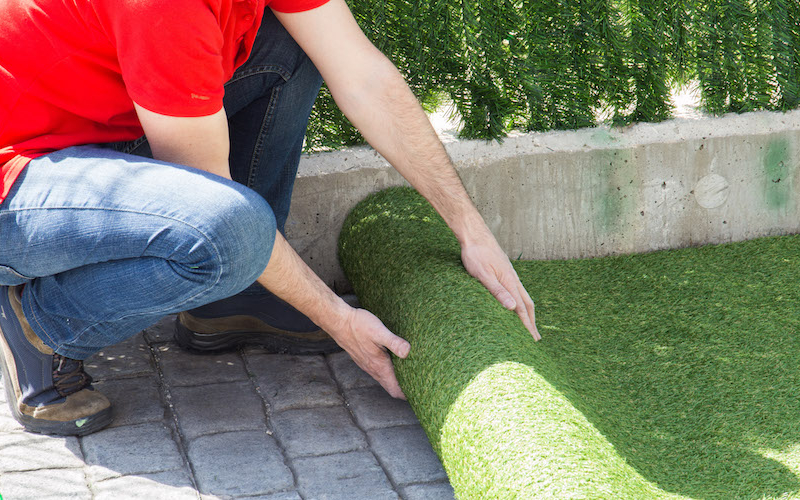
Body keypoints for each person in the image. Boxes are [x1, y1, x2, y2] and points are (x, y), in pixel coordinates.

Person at [0, 0, 540, 436]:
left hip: (96, 134)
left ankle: (230, 299)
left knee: (291, 47)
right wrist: (340, 320)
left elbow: (363, 76)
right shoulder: (164, 9)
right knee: (225, 232)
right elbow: (217, 205)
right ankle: (41, 323)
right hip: (20, 179)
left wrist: (472, 229)